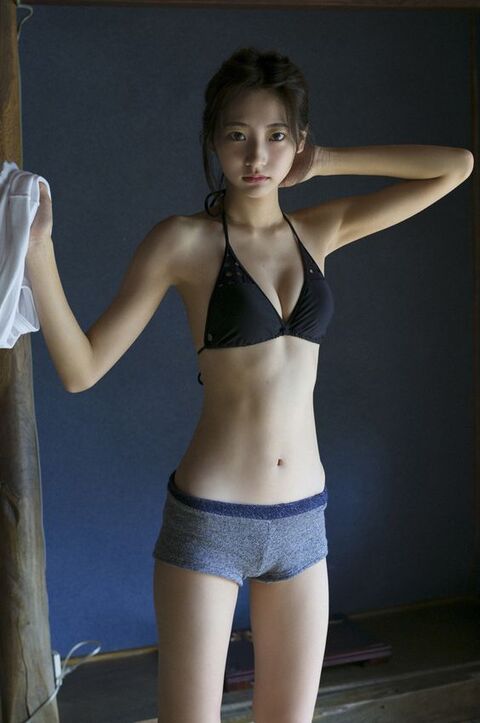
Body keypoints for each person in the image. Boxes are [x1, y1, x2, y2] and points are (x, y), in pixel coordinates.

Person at [25, 46, 473, 723]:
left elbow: (456, 166)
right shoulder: (183, 241)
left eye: (276, 135)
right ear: (214, 139)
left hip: (304, 524)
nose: (257, 155)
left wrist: (325, 161)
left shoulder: (321, 229)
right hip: (211, 522)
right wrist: (39, 255)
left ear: (298, 140)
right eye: (238, 134)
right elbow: (81, 368)